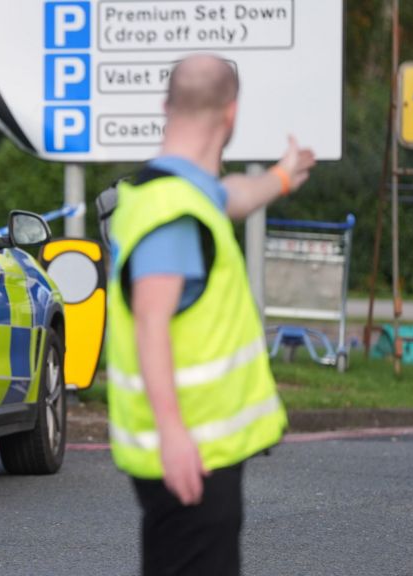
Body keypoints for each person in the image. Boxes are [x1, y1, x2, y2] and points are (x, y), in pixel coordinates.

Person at [106, 54, 316, 575]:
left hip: (197, 452)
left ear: (166, 107)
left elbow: (232, 197)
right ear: (231, 116)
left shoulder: (172, 193)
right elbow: (153, 322)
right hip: (190, 456)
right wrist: (174, 435)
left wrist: (283, 178)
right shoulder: (174, 216)